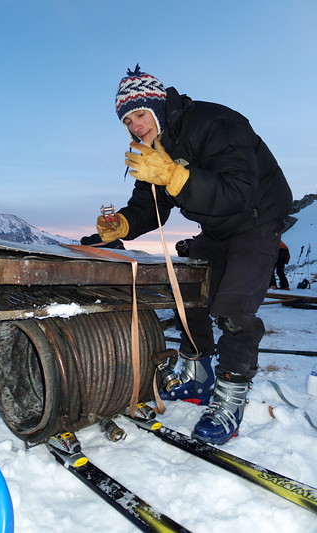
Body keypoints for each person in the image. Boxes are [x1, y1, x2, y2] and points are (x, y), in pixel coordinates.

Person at [85, 64, 293, 445]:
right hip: (215, 227)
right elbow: (149, 206)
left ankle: (230, 397)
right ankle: (198, 375)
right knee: (190, 294)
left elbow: (238, 191)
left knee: (233, 308)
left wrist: (174, 177)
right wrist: (123, 225)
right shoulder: (153, 151)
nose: (135, 126)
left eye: (140, 114)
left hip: (257, 218)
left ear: (158, 105)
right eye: (127, 120)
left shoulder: (215, 122)